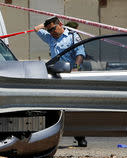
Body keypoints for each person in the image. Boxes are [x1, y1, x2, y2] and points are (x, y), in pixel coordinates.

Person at [34, 17, 87, 147]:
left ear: (60, 25)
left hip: (71, 75)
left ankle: (80, 136)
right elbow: (36, 29)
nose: (52, 32)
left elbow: (80, 53)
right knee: (56, 107)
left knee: (74, 107)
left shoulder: (72, 36)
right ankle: (52, 137)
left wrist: (76, 67)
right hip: (57, 76)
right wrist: (46, 24)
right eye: (49, 30)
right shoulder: (50, 37)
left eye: (53, 28)